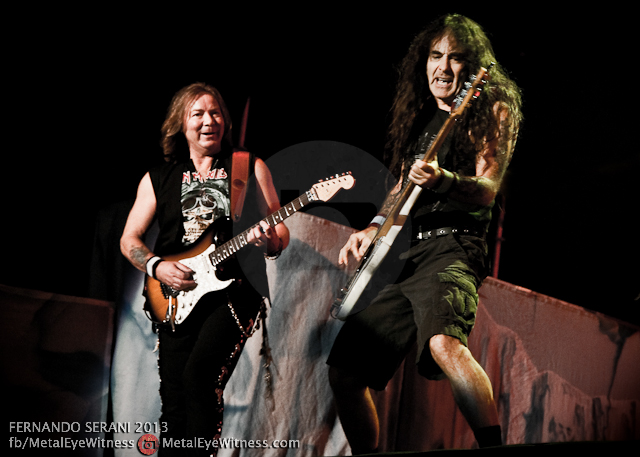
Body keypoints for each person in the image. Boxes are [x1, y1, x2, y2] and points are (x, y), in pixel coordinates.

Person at [327, 14, 523, 453]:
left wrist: (444, 180)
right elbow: (402, 187)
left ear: (474, 69)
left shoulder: (492, 109)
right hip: (405, 253)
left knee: (444, 343)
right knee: (345, 373)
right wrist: (373, 227)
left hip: (454, 246)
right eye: (436, 56)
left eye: (456, 58)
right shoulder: (424, 122)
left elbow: (488, 189)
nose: (443, 67)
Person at [120, 82, 289, 455]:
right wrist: (156, 266)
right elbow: (129, 238)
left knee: (199, 378)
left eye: (215, 113)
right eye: (198, 113)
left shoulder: (248, 166)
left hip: (234, 291)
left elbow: (279, 231)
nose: (208, 121)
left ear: (225, 121)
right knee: (174, 402)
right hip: (175, 296)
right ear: (181, 124)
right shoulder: (158, 178)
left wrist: (269, 241)